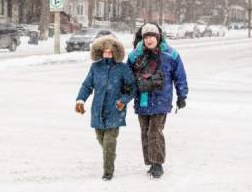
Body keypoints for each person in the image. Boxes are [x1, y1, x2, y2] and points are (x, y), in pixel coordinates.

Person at [127, 23, 188, 178]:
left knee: (154, 132)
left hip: (161, 100)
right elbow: (127, 78)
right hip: (143, 99)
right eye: (146, 36)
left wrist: (182, 95)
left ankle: (158, 164)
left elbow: (179, 76)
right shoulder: (135, 55)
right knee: (145, 132)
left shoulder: (171, 54)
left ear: (158, 37)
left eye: (152, 36)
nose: (149, 40)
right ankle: (150, 162)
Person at [75, 35, 137, 181]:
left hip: (115, 110)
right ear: (100, 52)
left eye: (110, 51)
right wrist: (80, 100)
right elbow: (87, 85)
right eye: (105, 51)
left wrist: (123, 100)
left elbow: (132, 88)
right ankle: (110, 155)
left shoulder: (122, 68)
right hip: (98, 110)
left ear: (116, 52)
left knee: (109, 141)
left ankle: (108, 171)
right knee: (100, 138)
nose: (107, 54)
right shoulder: (95, 67)